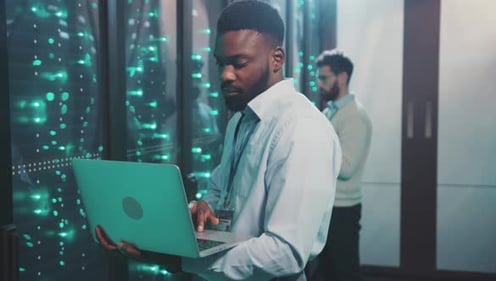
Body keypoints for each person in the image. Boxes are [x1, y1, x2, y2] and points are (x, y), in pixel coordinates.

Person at [95, 1, 341, 280]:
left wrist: (181, 261)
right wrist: (201, 211)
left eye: (239, 63)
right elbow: (220, 196)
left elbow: (285, 253)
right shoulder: (240, 120)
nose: (225, 75)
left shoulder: (302, 129)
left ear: (277, 58)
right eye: (221, 63)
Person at [309, 49, 372, 281]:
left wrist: (311, 154)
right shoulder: (331, 110)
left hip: (343, 209)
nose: (319, 84)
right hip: (331, 206)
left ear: (342, 77)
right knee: (327, 271)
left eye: (324, 78)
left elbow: (346, 168)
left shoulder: (353, 115)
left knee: (344, 272)